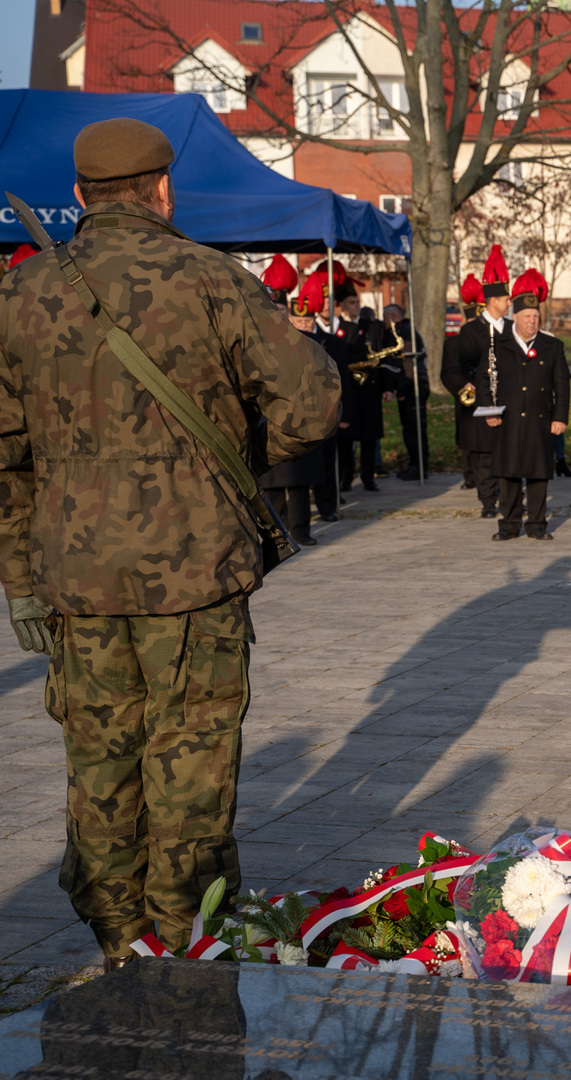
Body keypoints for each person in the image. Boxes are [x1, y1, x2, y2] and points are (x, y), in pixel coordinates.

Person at [0, 118, 341, 967]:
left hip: (74, 575)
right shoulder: (212, 278)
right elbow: (313, 405)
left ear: (79, 196)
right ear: (162, 191)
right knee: (190, 755)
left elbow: (4, 456)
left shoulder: (20, 293)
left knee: (99, 757)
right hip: (195, 567)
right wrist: (233, 460)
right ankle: (186, 937)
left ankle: (118, 937)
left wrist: (19, 581)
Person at [484, 269, 569, 541]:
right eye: (527, 317)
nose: (532, 321)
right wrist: (489, 412)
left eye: (535, 317)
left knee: (538, 473)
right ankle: (508, 525)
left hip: (539, 420)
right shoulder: (498, 345)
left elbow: (562, 386)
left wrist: (560, 417)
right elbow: (484, 380)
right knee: (508, 474)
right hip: (507, 420)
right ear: (515, 317)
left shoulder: (552, 346)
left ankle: (537, 525)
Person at [264, 275, 347, 545]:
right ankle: (279, 532)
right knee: (272, 482)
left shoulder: (309, 341)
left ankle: (300, 530)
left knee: (299, 480)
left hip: (302, 416)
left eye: (281, 310)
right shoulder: (258, 342)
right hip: (269, 415)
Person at [456, 248, 511, 518]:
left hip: (509, 400)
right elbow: (463, 365)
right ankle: (488, 501)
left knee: (509, 453)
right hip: (482, 400)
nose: (509, 303)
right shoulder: (470, 331)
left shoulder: (512, 329)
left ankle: (510, 500)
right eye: (505, 299)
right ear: (493, 301)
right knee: (485, 456)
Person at [338, 280, 393, 492]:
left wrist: (387, 387)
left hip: (370, 388)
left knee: (369, 436)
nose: (356, 306)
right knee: (346, 438)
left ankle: (369, 476)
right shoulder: (338, 327)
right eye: (352, 303)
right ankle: (346, 477)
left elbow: (382, 358)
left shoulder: (371, 326)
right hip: (349, 389)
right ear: (343, 306)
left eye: (357, 302)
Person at [376, 303, 429, 481]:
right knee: (409, 429)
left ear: (392, 316)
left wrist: (402, 390)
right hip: (409, 386)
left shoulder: (405, 333)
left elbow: (407, 365)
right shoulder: (401, 330)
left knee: (414, 429)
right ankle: (415, 463)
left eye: (385, 317)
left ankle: (419, 466)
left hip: (413, 387)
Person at [448, 274, 485, 490]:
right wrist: (462, 385)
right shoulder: (454, 343)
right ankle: (470, 475)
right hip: (467, 394)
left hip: (486, 392)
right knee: (468, 436)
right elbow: (449, 371)